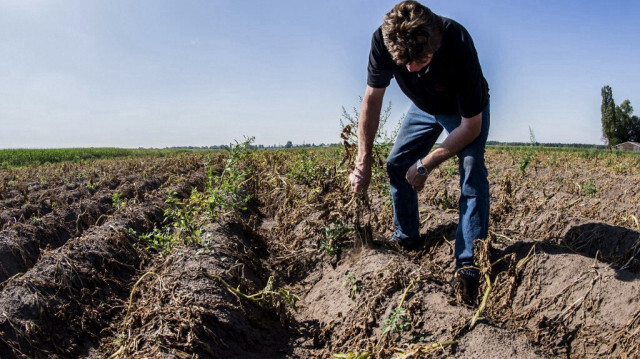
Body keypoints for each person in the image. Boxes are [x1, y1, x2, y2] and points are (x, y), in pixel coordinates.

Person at [349, 0, 490, 302]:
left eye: (420, 62)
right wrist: (363, 161)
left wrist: (426, 164)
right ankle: (407, 237)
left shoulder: (457, 42)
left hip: (463, 113)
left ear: (434, 43)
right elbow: (372, 100)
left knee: (471, 173)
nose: (411, 70)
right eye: (404, 65)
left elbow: (471, 127)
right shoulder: (382, 41)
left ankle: (469, 264)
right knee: (397, 164)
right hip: (425, 108)